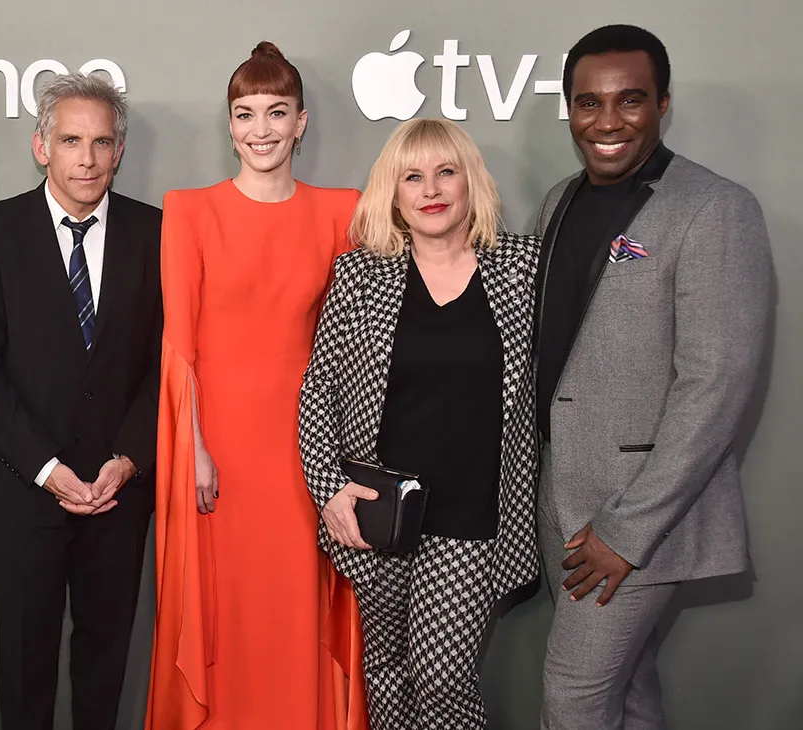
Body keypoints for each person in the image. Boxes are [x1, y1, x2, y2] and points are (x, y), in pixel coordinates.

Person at [534, 25, 773, 730]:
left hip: (635, 518)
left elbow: (718, 384)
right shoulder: (557, 200)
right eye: (588, 103)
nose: (608, 122)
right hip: (561, 500)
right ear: (570, 109)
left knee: (572, 697)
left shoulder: (716, 209)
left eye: (630, 100)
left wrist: (627, 532)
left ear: (663, 102)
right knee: (626, 691)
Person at [147, 41, 367, 730]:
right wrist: (196, 448)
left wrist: (335, 461)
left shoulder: (344, 211)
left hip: (306, 448)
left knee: (296, 603)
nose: (261, 130)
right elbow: (179, 346)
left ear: (301, 122)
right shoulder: (189, 211)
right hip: (219, 451)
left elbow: (351, 351)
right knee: (224, 609)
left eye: (277, 113)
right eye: (245, 114)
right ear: (230, 124)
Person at [299, 118, 541, 729]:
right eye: (413, 176)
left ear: (470, 182)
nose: (430, 189)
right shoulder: (361, 276)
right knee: (387, 671)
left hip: (473, 517)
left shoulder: (523, 268)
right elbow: (316, 393)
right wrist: (330, 491)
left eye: (445, 172)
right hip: (380, 516)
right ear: (395, 192)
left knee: (441, 679)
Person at [0, 72, 161, 730]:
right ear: (41, 145)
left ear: (120, 151)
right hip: (24, 491)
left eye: (102, 142)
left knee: (105, 661)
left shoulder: (158, 233)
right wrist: (47, 469)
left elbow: (168, 364)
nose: (87, 158)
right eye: (71, 140)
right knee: (25, 663)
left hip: (118, 491)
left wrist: (128, 458)